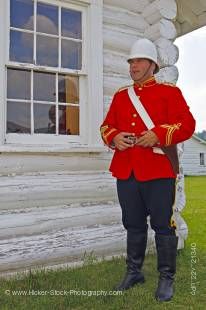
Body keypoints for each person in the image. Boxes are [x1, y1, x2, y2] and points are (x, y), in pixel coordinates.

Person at [100, 38, 196, 302]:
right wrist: (114, 137)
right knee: (132, 224)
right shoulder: (121, 96)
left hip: (158, 171)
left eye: (139, 61)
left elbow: (187, 125)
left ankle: (167, 278)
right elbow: (106, 126)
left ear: (152, 64)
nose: (134, 65)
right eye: (131, 61)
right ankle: (134, 272)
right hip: (126, 171)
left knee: (163, 226)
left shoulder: (169, 93)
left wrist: (158, 135)